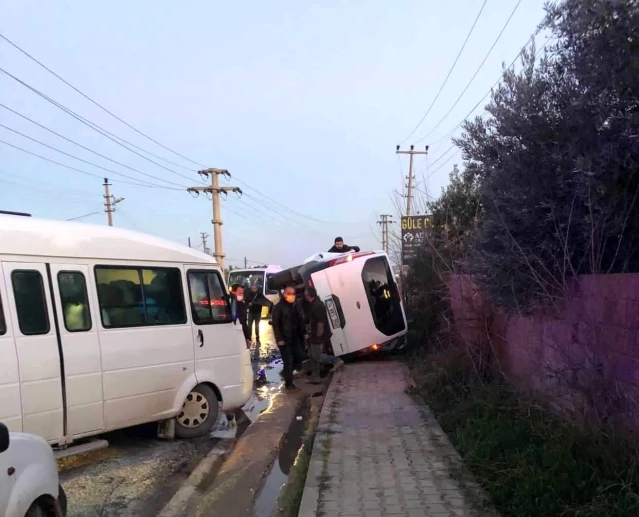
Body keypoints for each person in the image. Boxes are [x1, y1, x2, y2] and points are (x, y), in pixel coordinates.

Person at [304, 287, 344, 383]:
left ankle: (336, 361)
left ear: (308, 295)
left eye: (305, 294)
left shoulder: (317, 305)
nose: (304, 296)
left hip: (318, 336)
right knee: (313, 356)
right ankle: (315, 376)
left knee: (317, 356)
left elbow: (320, 323)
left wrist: (318, 337)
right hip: (313, 335)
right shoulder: (314, 304)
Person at [271, 285, 305, 391]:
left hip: (294, 336)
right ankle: (289, 384)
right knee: (288, 360)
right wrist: (279, 339)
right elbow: (275, 324)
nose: (292, 296)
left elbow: (299, 319)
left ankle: (287, 372)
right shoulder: (279, 307)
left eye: (293, 294)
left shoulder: (295, 305)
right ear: (284, 294)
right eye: (289, 293)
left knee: (300, 356)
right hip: (284, 338)